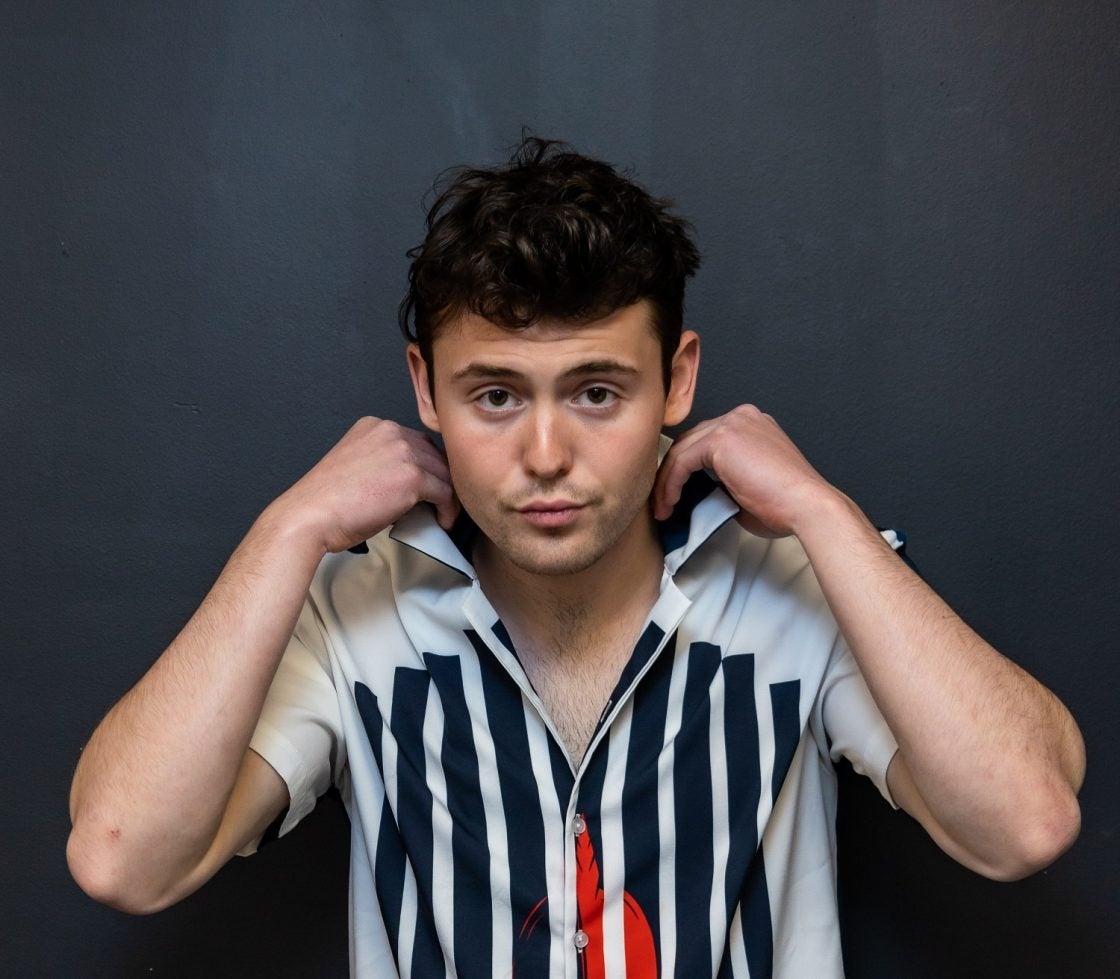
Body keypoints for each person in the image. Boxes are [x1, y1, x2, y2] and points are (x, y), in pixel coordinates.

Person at [68, 137, 1085, 977]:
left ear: (676, 380)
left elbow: (1026, 821)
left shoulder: (794, 590)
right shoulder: (355, 613)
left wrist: (826, 514)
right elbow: (120, 858)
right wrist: (286, 530)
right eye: (495, 395)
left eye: (597, 392)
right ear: (424, 389)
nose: (547, 454)